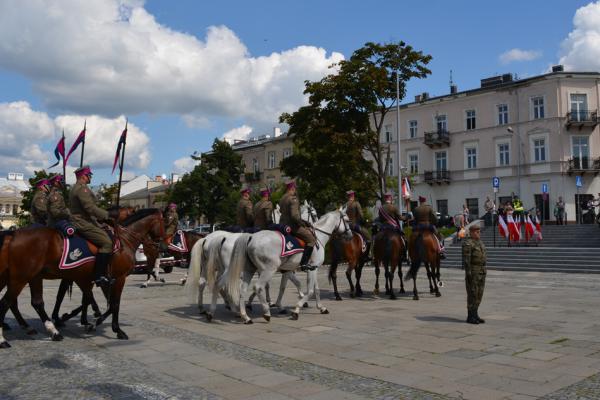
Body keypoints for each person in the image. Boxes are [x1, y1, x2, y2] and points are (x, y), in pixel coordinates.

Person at [69, 165, 118, 287]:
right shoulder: (82, 189)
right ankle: (98, 276)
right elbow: (90, 208)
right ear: (84, 176)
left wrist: (99, 223)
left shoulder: (78, 188)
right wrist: (107, 215)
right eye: (89, 175)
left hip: (85, 220)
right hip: (82, 222)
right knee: (107, 243)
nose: (90, 177)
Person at [279, 180, 316, 271]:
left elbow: (282, 212)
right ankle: (304, 263)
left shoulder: (282, 198)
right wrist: (302, 224)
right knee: (311, 239)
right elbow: (295, 216)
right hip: (293, 226)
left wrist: (305, 221)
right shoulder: (293, 199)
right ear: (292, 188)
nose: (295, 190)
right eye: (295, 188)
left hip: (282, 225)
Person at [462, 224, 487, 324]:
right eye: (476, 232)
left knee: (479, 293)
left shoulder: (480, 242)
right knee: (472, 293)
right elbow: (466, 260)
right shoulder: (468, 243)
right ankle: (470, 316)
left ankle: (475, 314)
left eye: (479, 231)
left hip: (482, 270)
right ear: (471, 232)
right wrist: (468, 273)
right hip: (473, 270)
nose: (478, 233)